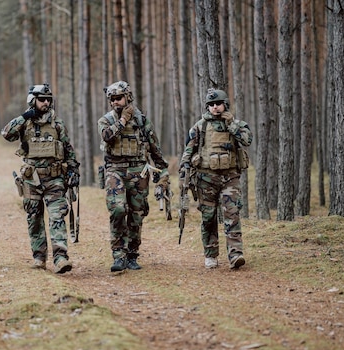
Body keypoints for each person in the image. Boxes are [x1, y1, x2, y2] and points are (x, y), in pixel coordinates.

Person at [1, 83, 79, 274]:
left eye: (48, 100)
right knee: (34, 218)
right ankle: (39, 257)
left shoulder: (57, 124)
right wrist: (23, 117)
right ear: (32, 100)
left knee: (57, 217)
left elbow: (68, 149)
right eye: (41, 99)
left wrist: (73, 171)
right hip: (31, 179)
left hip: (54, 179)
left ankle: (60, 258)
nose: (45, 103)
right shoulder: (25, 123)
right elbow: (6, 133)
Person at [98, 81, 170, 272]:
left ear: (127, 97)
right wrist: (122, 121)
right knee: (118, 209)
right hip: (115, 170)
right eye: (112, 99)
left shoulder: (141, 121)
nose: (115, 102)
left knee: (137, 214)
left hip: (139, 171)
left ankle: (132, 254)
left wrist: (163, 173)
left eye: (119, 98)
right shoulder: (106, 120)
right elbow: (106, 136)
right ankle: (118, 255)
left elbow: (155, 149)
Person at [180, 88, 252, 270]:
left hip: (230, 177)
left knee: (232, 214)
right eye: (211, 105)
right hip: (206, 178)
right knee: (208, 217)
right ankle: (211, 254)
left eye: (218, 104)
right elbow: (189, 150)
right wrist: (184, 170)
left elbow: (247, 140)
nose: (215, 107)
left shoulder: (236, 124)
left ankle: (236, 254)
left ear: (225, 104)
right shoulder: (200, 126)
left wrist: (231, 125)